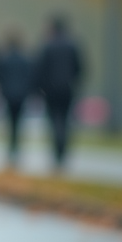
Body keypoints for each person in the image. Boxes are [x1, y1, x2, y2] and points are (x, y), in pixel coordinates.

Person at [35, 15, 83, 169]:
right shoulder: (73, 45)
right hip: (67, 88)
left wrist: (41, 87)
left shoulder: (48, 46)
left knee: (54, 119)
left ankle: (57, 148)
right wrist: (74, 80)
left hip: (51, 89)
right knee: (65, 119)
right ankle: (62, 149)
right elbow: (79, 67)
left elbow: (41, 69)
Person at [0, 30, 34, 168]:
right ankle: (16, 149)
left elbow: (0, 76)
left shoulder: (4, 59)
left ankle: (11, 150)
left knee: (10, 124)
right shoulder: (26, 60)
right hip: (21, 96)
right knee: (18, 124)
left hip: (8, 95)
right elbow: (30, 77)